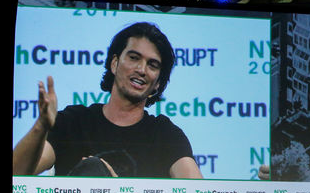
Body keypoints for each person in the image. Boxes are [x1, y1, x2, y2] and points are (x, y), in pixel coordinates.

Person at [13, 22, 203, 179]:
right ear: (114, 63)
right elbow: (17, 173)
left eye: (152, 65)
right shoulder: (73, 122)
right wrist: (41, 126)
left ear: (158, 84)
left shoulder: (165, 135)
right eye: (134, 57)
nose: (141, 69)